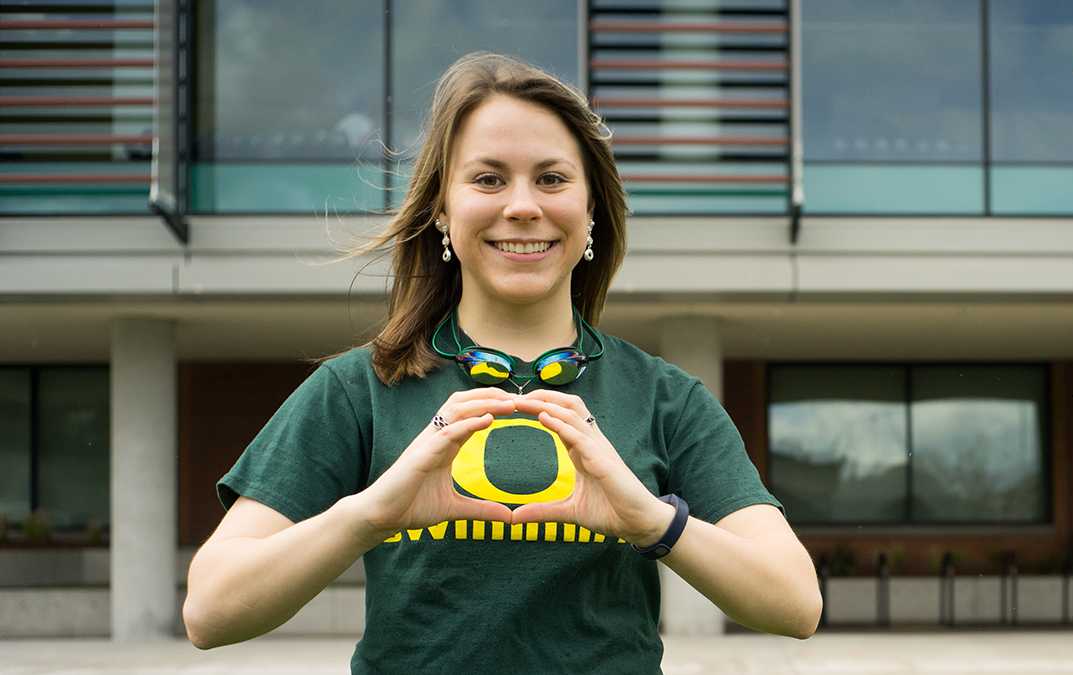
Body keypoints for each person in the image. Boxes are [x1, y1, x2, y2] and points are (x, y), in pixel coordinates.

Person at [182, 52, 821, 673]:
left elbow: (795, 603)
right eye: (488, 179)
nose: (522, 205)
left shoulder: (665, 398)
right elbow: (210, 611)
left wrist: (650, 521)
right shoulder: (358, 390)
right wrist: (371, 515)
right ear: (442, 208)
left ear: (591, 206)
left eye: (551, 178)